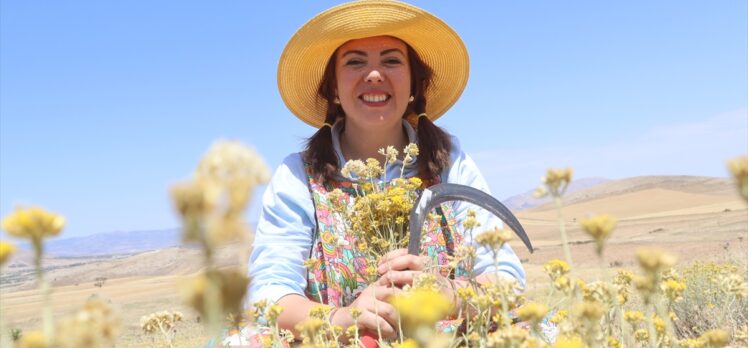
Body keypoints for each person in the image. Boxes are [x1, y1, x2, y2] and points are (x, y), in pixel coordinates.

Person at [245, 0, 526, 343]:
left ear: (414, 85)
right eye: (355, 62)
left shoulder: (448, 160)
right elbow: (269, 294)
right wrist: (343, 319)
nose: (374, 74)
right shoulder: (299, 175)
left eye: (392, 60)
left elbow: (506, 280)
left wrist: (446, 293)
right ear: (333, 87)